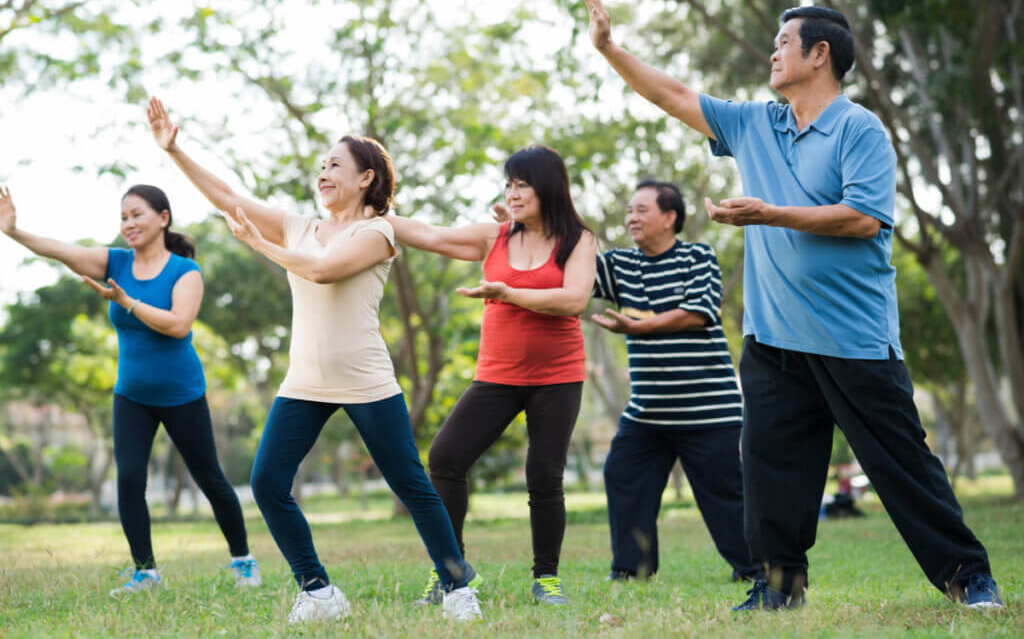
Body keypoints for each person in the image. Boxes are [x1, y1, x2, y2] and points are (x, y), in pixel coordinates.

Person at [579, 0, 1003, 610]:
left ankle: (969, 577)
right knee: (771, 468)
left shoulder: (858, 130)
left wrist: (769, 213)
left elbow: (862, 218)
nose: (773, 54)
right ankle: (778, 587)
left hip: (854, 338)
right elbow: (671, 94)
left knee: (901, 467)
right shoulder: (755, 123)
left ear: (820, 54)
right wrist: (610, 48)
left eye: (784, 44)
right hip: (774, 339)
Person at [145, 97, 481, 624]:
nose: (323, 173)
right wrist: (176, 151)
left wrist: (259, 244)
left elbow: (324, 271)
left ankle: (458, 586)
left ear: (367, 177)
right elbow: (227, 197)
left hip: (366, 380)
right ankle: (319, 591)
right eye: (321, 165)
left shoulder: (378, 232)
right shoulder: (298, 225)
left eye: (335, 166)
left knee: (411, 485)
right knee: (266, 483)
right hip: (304, 381)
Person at [0, 184, 260, 596]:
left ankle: (243, 561)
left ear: (163, 218)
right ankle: (146, 573)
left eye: (137, 214)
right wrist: (14, 231)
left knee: (209, 477)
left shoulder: (185, 272)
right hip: (132, 395)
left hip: (182, 394)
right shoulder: (114, 262)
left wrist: (128, 302)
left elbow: (179, 325)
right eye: (123, 217)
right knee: (130, 479)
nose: (129, 224)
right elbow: (62, 251)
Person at [387, 145, 596, 606]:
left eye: (523, 184)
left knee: (544, 475)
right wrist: (372, 212)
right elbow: (429, 235)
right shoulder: (495, 236)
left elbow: (574, 299)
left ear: (548, 187)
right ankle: (451, 570)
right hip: (497, 376)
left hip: (557, 375)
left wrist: (508, 291)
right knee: (444, 459)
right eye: (509, 184)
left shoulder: (579, 240)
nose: (513, 193)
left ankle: (546, 580)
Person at [591, 179, 760, 584]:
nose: (631, 218)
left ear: (670, 218)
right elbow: (573, 274)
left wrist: (637, 326)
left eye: (641, 210)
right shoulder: (620, 265)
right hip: (648, 412)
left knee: (725, 496)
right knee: (622, 474)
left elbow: (698, 312)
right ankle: (632, 569)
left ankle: (756, 569)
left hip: (708, 408)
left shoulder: (697, 256)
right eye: (629, 211)